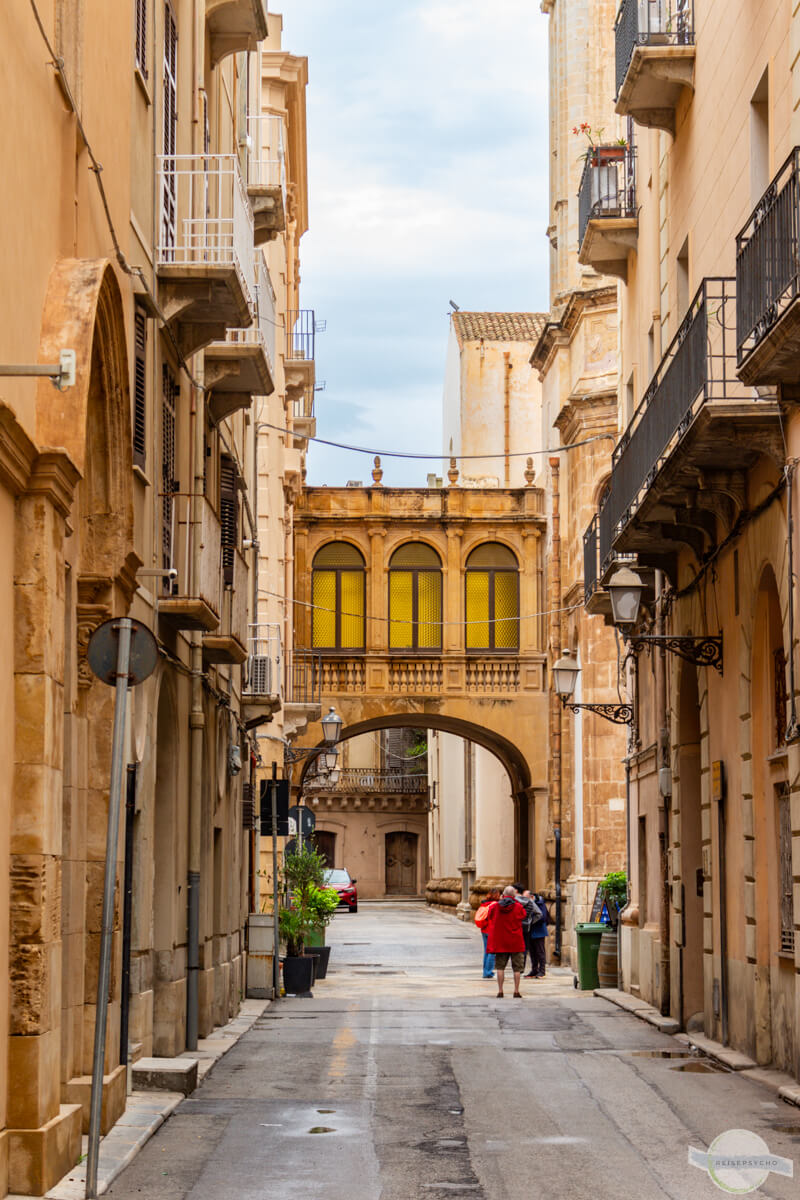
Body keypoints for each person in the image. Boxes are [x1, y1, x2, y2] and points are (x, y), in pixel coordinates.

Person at [484, 885, 526, 998]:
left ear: (503, 894)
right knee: (517, 968)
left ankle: (500, 991)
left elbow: (490, 916)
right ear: (514, 895)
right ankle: (516, 991)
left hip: (501, 942)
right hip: (515, 941)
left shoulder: (496, 907)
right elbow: (523, 916)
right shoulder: (518, 906)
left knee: (500, 967)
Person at [474, 887, 501, 978]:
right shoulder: (495, 905)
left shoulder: (484, 904)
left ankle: (485, 971)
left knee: (486, 951)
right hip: (492, 930)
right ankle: (488, 972)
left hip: (484, 929)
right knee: (492, 952)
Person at [524, 890, 551, 978]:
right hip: (530, 931)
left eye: (526, 898)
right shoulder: (527, 904)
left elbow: (542, 917)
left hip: (539, 931)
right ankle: (534, 970)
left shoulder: (540, 903)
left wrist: (530, 921)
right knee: (532, 952)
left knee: (540, 951)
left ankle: (542, 971)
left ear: (531, 897)